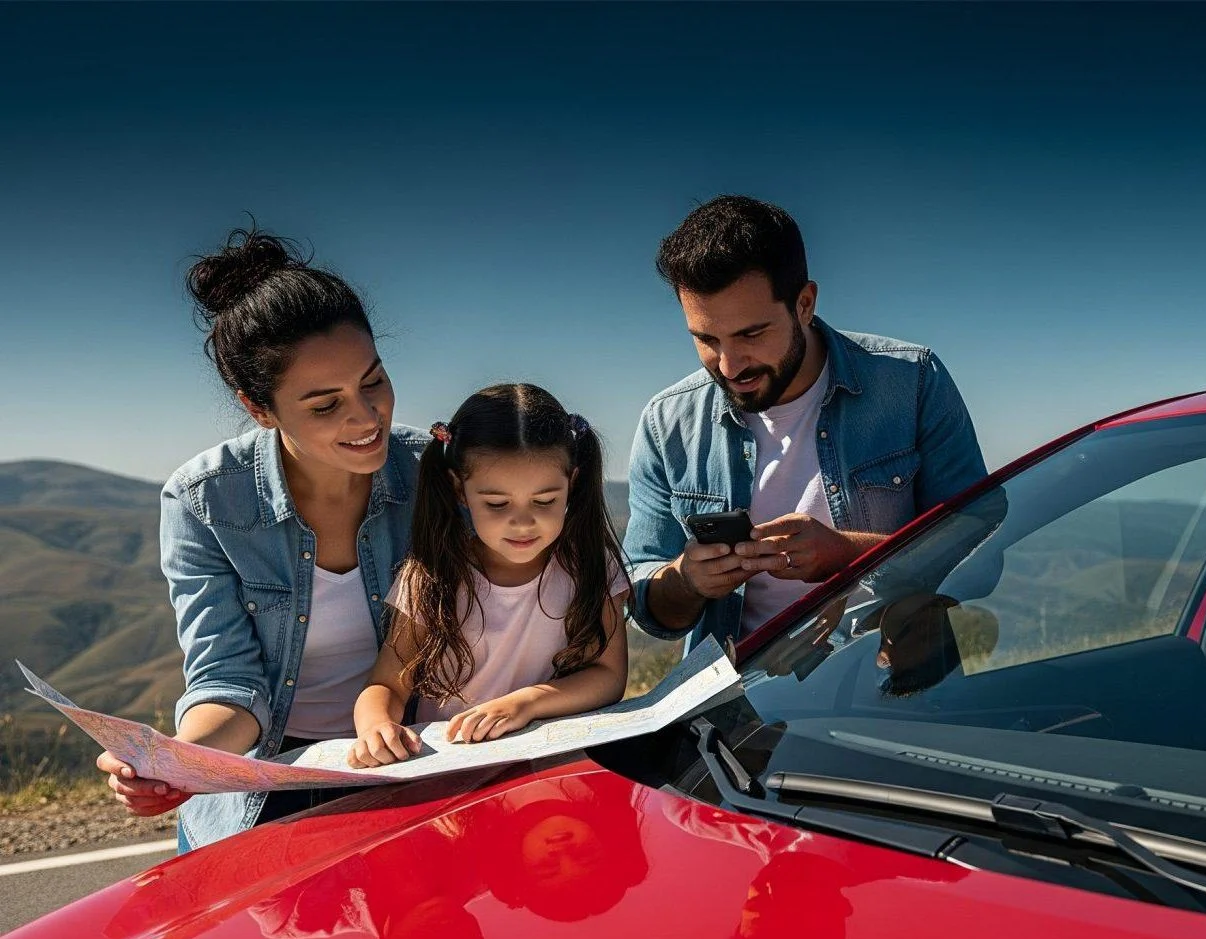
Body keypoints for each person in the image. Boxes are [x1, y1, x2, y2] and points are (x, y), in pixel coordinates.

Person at [96, 226, 427, 852]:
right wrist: (173, 761)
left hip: (416, 759)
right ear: (260, 409)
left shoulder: (433, 474)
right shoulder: (205, 500)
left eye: (374, 381)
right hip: (273, 780)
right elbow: (227, 679)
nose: (366, 417)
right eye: (326, 406)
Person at [624, 195, 989, 654]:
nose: (730, 365)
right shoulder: (667, 424)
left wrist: (852, 556)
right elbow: (645, 604)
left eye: (751, 335)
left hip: (899, 693)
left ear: (804, 303)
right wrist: (687, 580)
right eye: (706, 339)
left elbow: (982, 551)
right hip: (735, 710)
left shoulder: (913, 382)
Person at [347, 383, 633, 767]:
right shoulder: (432, 576)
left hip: (545, 770)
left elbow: (609, 675)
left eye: (545, 501)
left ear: (573, 482)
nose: (523, 522)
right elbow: (386, 684)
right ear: (460, 491)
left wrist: (526, 703)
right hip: (447, 772)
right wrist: (376, 726)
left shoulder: (590, 568)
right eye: (497, 504)